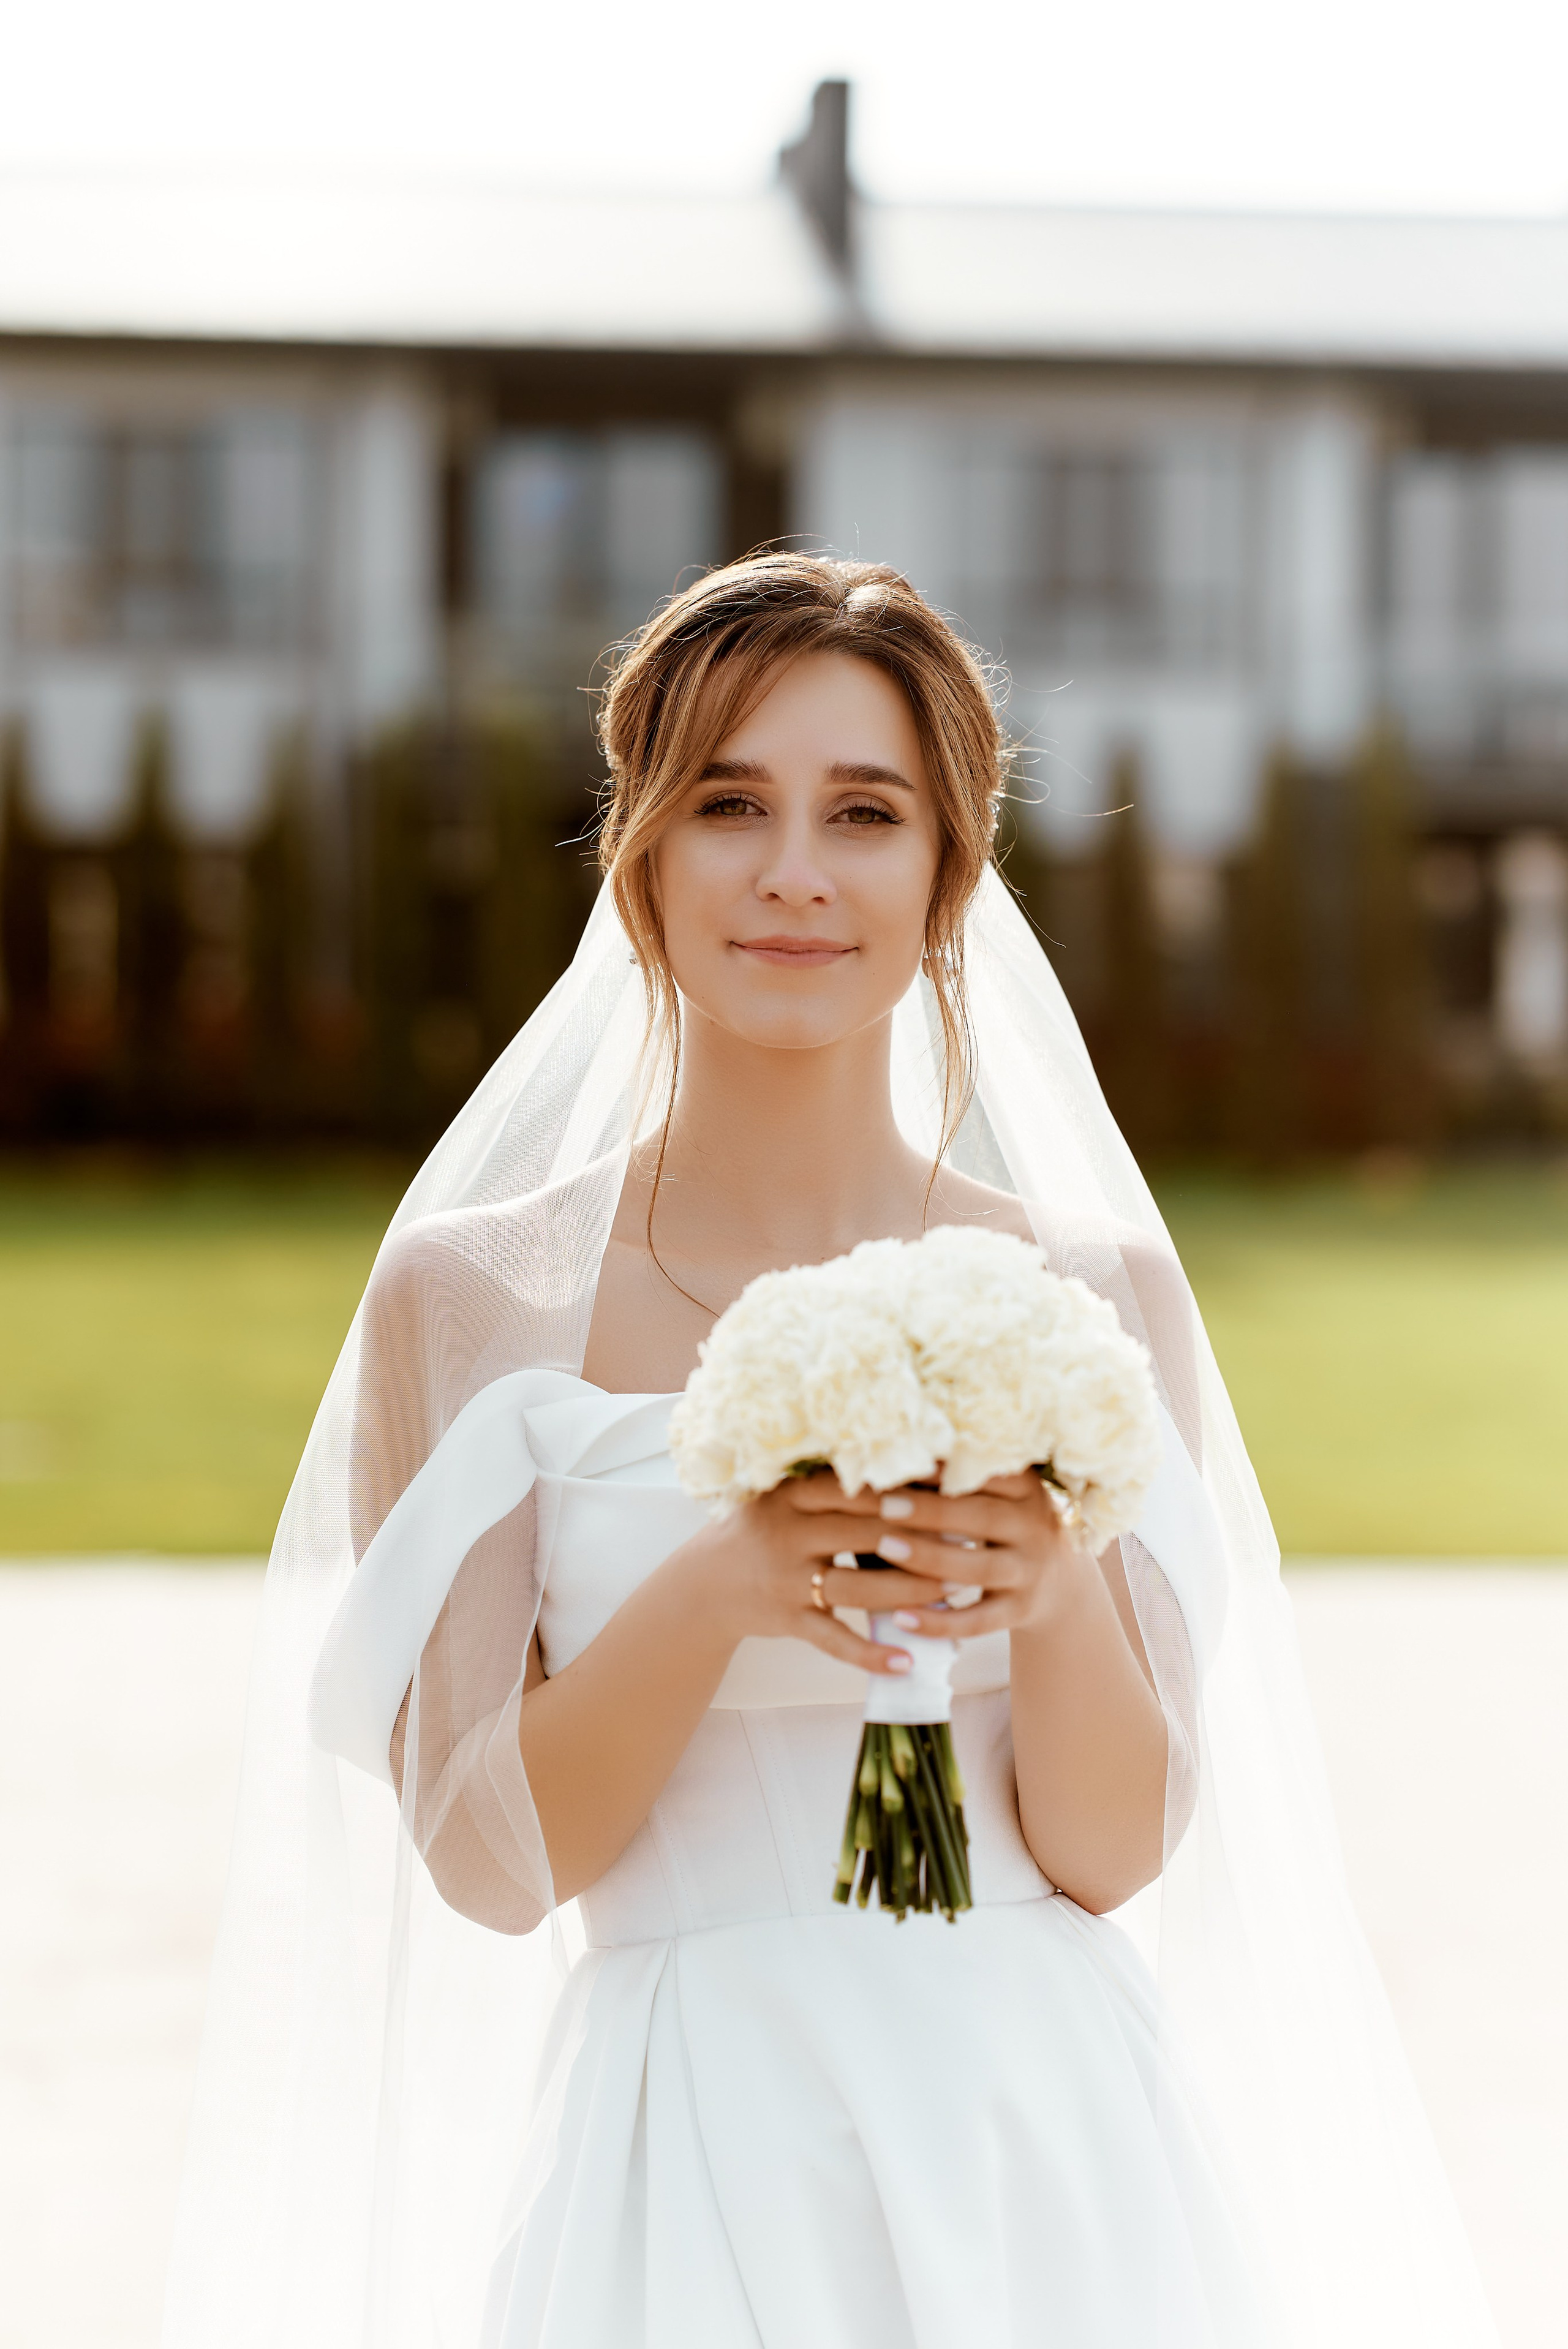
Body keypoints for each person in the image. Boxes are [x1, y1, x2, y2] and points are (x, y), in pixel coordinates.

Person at [163, 556, 1498, 2349]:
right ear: (638, 856)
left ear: (952, 872)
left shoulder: (1091, 1291)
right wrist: (724, 1580)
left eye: (865, 812)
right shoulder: (473, 1299)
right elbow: (486, 1865)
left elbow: (1113, 1850)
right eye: (729, 804)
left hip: (1043, 2142)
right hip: (688, 2145)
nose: (795, 868)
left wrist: (1049, 1597)